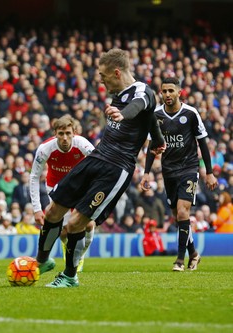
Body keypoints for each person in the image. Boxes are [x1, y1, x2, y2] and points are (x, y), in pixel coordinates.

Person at [37, 49, 166, 287]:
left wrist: (122, 114)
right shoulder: (118, 94)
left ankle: (69, 276)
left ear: (116, 72)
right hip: (96, 157)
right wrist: (158, 141)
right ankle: (42, 261)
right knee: (53, 211)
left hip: (116, 169)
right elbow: (150, 119)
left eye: (103, 75)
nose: (101, 80)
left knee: (77, 222)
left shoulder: (142, 92)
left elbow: (139, 106)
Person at [141, 77, 218, 271]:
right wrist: (147, 172)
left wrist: (209, 173)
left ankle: (179, 260)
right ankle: (194, 253)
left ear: (179, 92)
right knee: (178, 217)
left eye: (170, 91)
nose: (167, 94)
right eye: (164, 91)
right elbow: (152, 145)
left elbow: (203, 143)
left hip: (189, 168)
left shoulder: (191, 114)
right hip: (168, 171)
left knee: (183, 211)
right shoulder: (156, 115)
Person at [29, 115, 95, 272]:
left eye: (68, 133)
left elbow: (98, 165)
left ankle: (79, 255)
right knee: (64, 231)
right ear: (55, 134)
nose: (64, 138)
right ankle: (69, 249)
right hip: (56, 188)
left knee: (89, 225)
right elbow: (33, 177)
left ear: (74, 132)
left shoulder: (83, 145)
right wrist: (37, 209)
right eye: (61, 134)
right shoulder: (45, 149)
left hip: (80, 187)